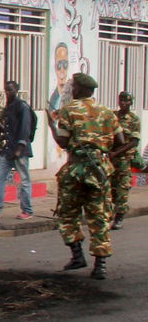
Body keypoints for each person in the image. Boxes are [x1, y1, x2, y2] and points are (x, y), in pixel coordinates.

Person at [47, 73, 124, 280]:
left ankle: (77, 256)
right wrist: (100, 146)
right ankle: (100, 266)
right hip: (100, 170)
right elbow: (120, 140)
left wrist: (52, 127)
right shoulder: (107, 112)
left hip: (76, 170)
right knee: (99, 216)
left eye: (74, 87)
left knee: (67, 214)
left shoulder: (68, 110)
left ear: (79, 89)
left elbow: (63, 143)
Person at [0, 81, 33, 219]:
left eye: (10, 90)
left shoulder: (22, 107)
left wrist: (20, 147)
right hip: (8, 148)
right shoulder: (8, 107)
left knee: (24, 180)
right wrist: (2, 135)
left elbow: (25, 128)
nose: (8, 93)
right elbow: (10, 128)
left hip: (20, 150)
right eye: (6, 90)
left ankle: (27, 210)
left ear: (16, 90)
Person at [108, 91, 140, 230]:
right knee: (109, 189)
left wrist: (116, 153)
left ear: (130, 102)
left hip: (124, 159)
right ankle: (108, 214)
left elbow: (134, 142)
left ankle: (119, 217)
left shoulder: (134, 119)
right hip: (110, 159)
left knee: (122, 189)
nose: (123, 103)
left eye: (126, 100)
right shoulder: (113, 116)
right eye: (121, 100)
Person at [48, 42, 69, 116]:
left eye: (65, 64)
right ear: (55, 67)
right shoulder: (52, 100)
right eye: (59, 64)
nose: (62, 69)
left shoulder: (72, 97)